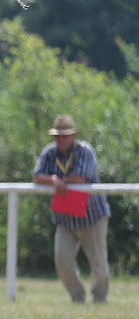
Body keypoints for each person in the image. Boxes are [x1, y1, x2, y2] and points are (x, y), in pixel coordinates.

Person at [33, 115, 110, 303]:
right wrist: (53, 180)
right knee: (61, 258)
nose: (60, 139)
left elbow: (80, 178)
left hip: (91, 216)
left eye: (65, 135)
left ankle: (100, 298)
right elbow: (37, 177)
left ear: (74, 135)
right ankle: (77, 296)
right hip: (65, 218)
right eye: (57, 136)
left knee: (98, 261)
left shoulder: (85, 150)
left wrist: (60, 181)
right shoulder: (49, 153)